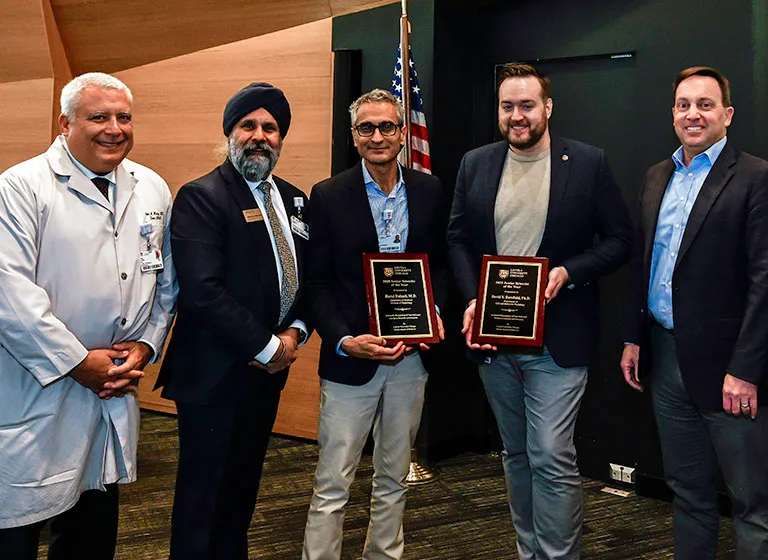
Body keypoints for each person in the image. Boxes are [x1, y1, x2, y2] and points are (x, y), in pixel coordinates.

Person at [447, 63, 631, 559]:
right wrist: (471, 300)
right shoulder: (476, 163)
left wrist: (568, 272)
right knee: (516, 454)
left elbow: (619, 241)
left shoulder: (587, 163)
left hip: (559, 339)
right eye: (507, 107)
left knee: (550, 453)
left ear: (547, 108)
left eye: (526, 105)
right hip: (493, 338)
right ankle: (529, 552)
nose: (517, 116)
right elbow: (458, 239)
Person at [619, 66, 768, 560]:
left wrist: (746, 369)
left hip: (731, 370)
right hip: (666, 358)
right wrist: (635, 336)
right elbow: (643, 263)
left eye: (705, 104)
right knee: (688, 492)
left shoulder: (760, 179)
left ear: (727, 114)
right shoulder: (658, 176)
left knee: (751, 503)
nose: (693, 114)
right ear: (673, 113)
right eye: (683, 104)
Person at [0, 72, 177, 559]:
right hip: (39, 385)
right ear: (65, 123)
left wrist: (144, 347)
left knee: (91, 531)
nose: (114, 128)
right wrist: (79, 361)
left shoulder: (152, 188)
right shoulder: (21, 187)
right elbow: (9, 293)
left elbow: (165, 283)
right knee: (17, 532)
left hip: (114, 385)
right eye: (98, 117)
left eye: (123, 117)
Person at [157, 82, 310, 559]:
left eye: (270, 128)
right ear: (230, 134)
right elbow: (203, 292)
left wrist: (296, 332)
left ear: (281, 138)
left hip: (265, 379)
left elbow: (308, 276)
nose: (260, 136)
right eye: (248, 126)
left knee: (242, 490)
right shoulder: (201, 196)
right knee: (203, 497)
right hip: (213, 378)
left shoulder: (294, 198)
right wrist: (269, 348)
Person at [301, 88, 447, 560]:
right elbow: (317, 283)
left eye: (387, 126)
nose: (378, 135)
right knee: (333, 483)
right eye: (367, 127)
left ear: (403, 133)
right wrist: (345, 339)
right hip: (351, 363)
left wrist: (436, 314)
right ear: (354, 136)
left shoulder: (429, 190)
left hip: (410, 359)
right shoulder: (326, 195)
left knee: (394, 476)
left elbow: (439, 268)